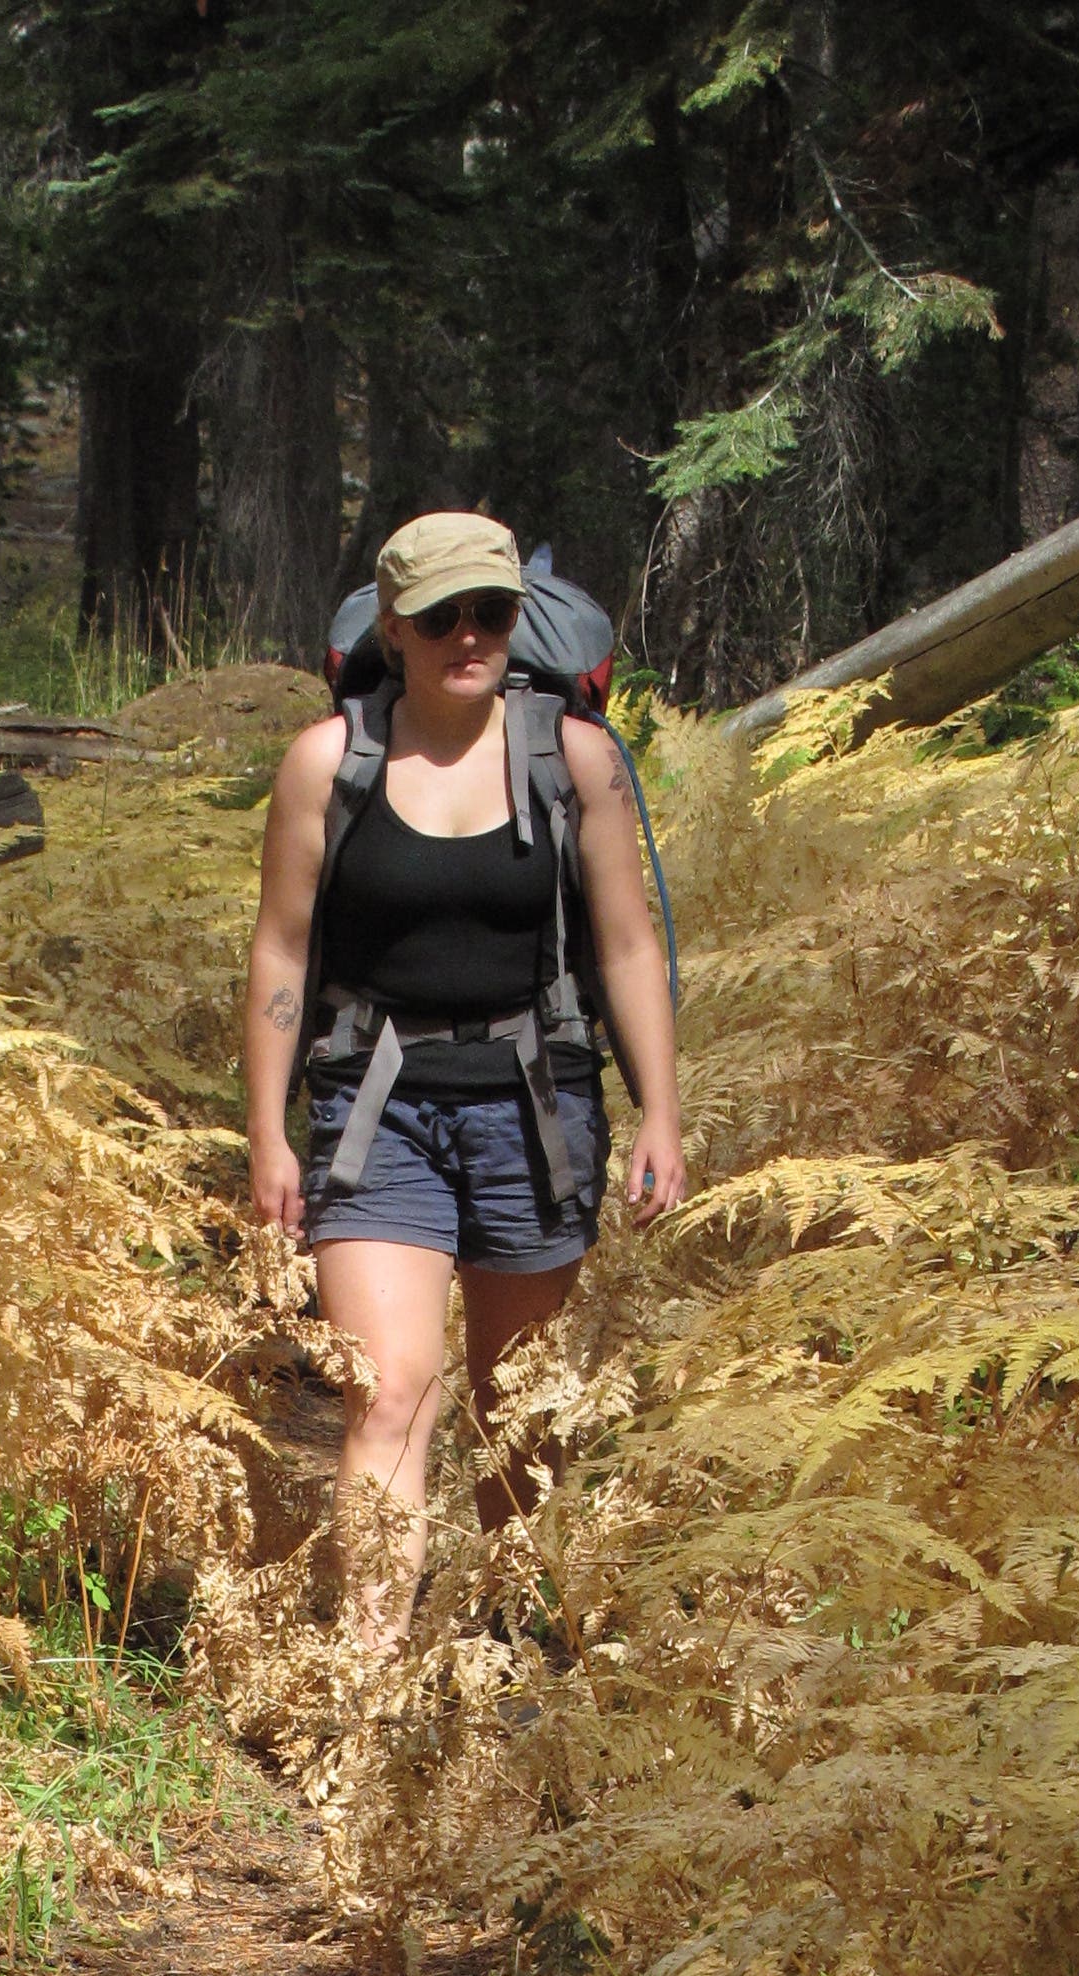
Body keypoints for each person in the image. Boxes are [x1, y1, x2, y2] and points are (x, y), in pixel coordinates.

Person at [242, 509, 684, 1656]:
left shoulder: (570, 759)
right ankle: (367, 1682)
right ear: (392, 625)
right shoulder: (327, 764)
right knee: (391, 1395)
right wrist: (268, 1136)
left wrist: (660, 1112)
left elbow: (628, 946)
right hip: (373, 1113)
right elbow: (281, 953)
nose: (470, 636)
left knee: (517, 1417)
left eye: (491, 612)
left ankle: (504, 1656)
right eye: (442, 616)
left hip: (537, 1114)